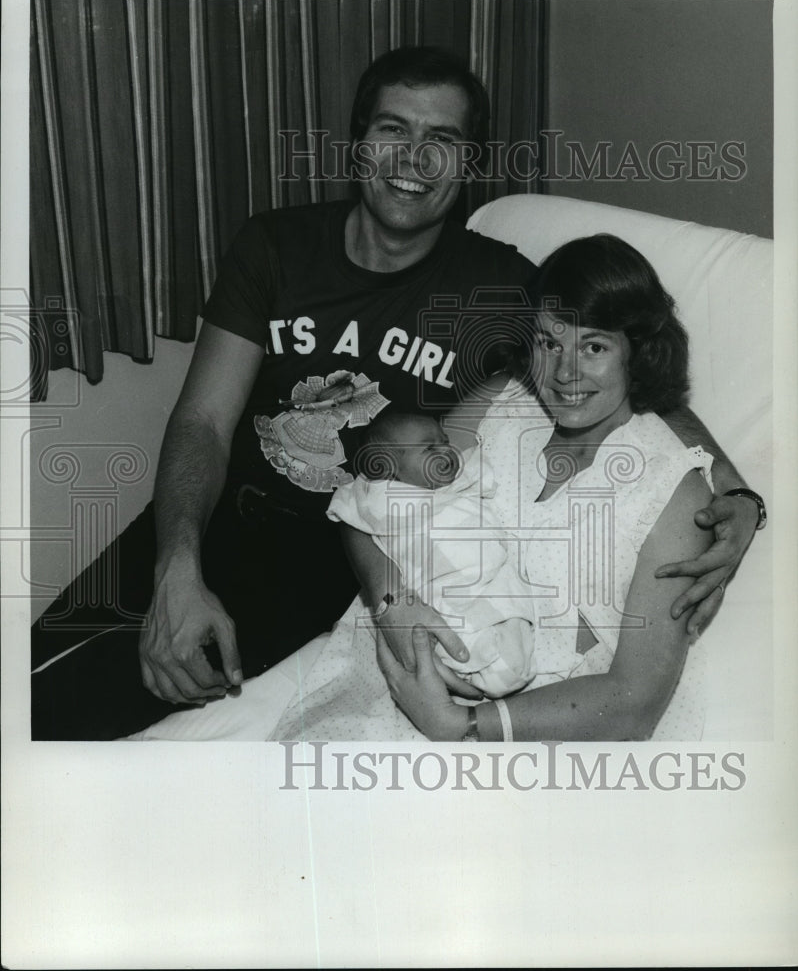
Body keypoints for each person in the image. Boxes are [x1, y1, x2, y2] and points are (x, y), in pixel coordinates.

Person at [31, 46, 762, 740]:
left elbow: (626, 361)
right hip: (208, 515)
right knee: (29, 674)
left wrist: (735, 495)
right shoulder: (276, 246)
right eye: (393, 130)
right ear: (358, 143)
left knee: (73, 713)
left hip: (320, 554)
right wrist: (175, 568)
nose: (414, 160)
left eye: (441, 138)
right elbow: (202, 422)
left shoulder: (499, 287)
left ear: (468, 162)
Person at [374, 235, 725, 740]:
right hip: (408, 671)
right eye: (549, 342)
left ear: (638, 352)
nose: (565, 373)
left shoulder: (673, 494)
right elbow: (371, 503)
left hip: (541, 726)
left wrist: (460, 724)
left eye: (594, 346)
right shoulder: (499, 405)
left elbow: (634, 701)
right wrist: (389, 603)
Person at [328, 410, 537, 697]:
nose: (446, 451)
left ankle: (506, 664)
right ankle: (480, 668)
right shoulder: (379, 496)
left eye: (446, 441)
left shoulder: (464, 477)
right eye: (429, 448)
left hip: (489, 572)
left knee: (509, 606)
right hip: (437, 585)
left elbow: (484, 470)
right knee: (451, 629)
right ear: (388, 467)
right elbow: (344, 508)